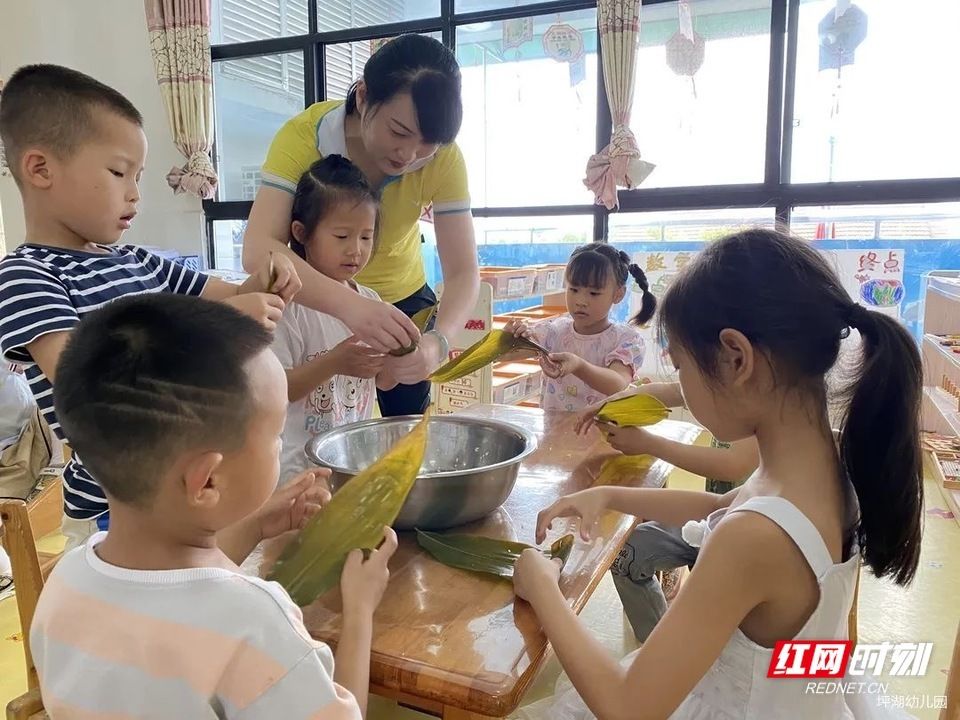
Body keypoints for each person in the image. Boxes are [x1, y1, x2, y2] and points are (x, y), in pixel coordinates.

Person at [513, 229, 923, 719]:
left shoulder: (753, 539)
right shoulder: (824, 477)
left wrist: (541, 588)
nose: (679, 387)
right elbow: (717, 508)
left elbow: (627, 706)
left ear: (736, 357)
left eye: (682, 368)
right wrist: (606, 495)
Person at [32, 293, 396, 718]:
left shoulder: (67, 578)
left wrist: (254, 525)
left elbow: (178, 595)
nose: (280, 445)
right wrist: (359, 610)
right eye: (276, 435)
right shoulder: (255, 619)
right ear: (207, 481)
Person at [0, 64, 301, 549]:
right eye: (119, 172)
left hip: (186, 489)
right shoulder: (27, 276)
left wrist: (267, 277)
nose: (135, 192)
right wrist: (221, 327)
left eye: (137, 175)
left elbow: (231, 296)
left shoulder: (139, 262)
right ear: (41, 169)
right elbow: (89, 380)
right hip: (113, 506)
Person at [244, 34, 479, 416]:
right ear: (364, 96)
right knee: (315, 417)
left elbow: (464, 271)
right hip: (316, 298)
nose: (409, 154)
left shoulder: (445, 158)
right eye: (399, 132)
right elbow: (258, 249)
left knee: (399, 428)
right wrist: (351, 305)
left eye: (427, 144)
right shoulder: (304, 137)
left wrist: (437, 342)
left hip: (403, 307)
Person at [576, 382, 760, 642]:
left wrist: (649, 443)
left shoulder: (771, 396)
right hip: (719, 516)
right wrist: (611, 403)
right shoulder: (727, 378)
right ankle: (655, 643)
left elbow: (734, 465)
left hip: (744, 546)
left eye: (681, 364)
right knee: (628, 551)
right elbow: (674, 391)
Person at [273, 155, 397, 484]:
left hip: (354, 467)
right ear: (301, 233)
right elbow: (275, 388)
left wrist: (403, 357)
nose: (355, 250)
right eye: (342, 237)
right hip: (298, 474)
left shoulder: (369, 302)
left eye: (366, 237)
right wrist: (335, 362)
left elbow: (384, 381)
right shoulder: (288, 304)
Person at [503, 243, 656, 412]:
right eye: (574, 289)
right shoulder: (554, 331)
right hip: (554, 433)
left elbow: (617, 383)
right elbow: (506, 355)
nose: (580, 301)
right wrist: (508, 339)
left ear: (618, 294)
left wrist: (578, 366)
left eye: (593, 293)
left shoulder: (626, 340)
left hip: (603, 435)